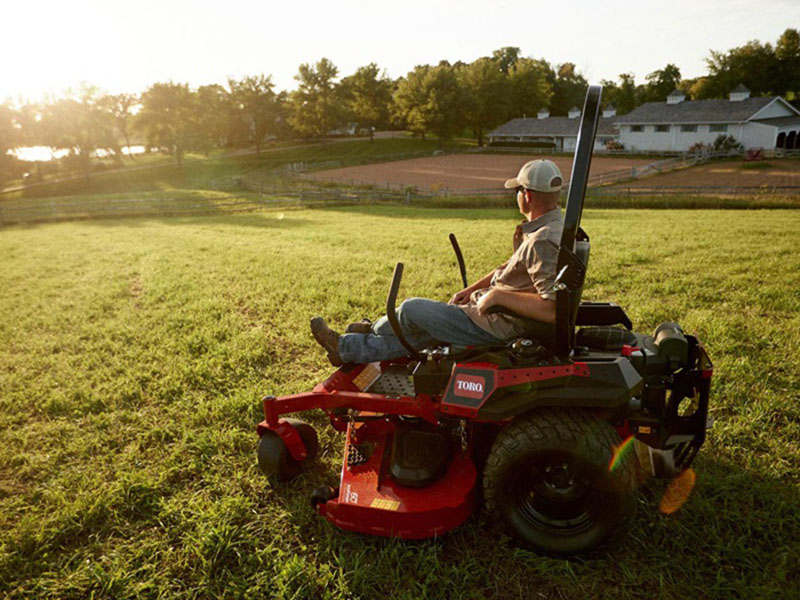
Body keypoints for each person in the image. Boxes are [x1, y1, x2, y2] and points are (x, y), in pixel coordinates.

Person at [311, 159, 565, 366]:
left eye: (518, 190)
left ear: (527, 195)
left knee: (413, 309)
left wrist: (499, 295)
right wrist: (470, 290)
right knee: (425, 331)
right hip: (498, 316)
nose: (516, 196)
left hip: (501, 325)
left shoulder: (542, 241)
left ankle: (373, 329)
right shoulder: (552, 228)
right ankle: (346, 347)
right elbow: (509, 269)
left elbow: (551, 308)